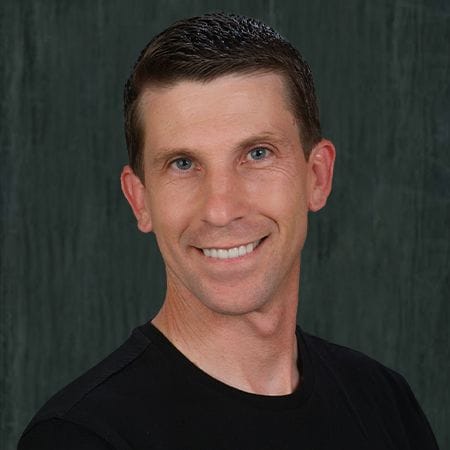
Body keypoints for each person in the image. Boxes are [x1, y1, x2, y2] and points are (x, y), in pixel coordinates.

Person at [18, 12, 438, 450]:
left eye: (257, 154)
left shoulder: (384, 402)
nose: (220, 210)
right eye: (183, 164)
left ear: (317, 176)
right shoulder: (80, 437)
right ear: (140, 200)